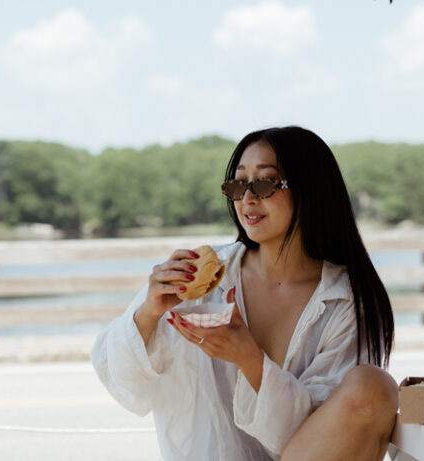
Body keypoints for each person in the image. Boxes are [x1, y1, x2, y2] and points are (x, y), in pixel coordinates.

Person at [91, 126, 398, 461]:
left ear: (311, 190)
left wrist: (249, 360)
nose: (248, 198)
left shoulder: (345, 301)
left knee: (374, 385)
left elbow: (325, 442)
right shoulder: (201, 278)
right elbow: (123, 382)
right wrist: (148, 313)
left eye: (265, 183)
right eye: (238, 185)